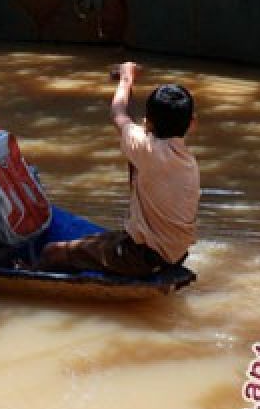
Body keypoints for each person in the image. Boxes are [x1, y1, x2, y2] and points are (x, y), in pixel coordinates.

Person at [36, 62, 199, 278]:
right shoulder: (188, 160)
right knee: (96, 241)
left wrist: (126, 77)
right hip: (175, 253)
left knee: (51, 252)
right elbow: (136, 137)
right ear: (192, 124)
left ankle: (28, 273)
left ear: (148, 123)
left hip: (142, 256)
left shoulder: (147, 150)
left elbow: (118, 114)